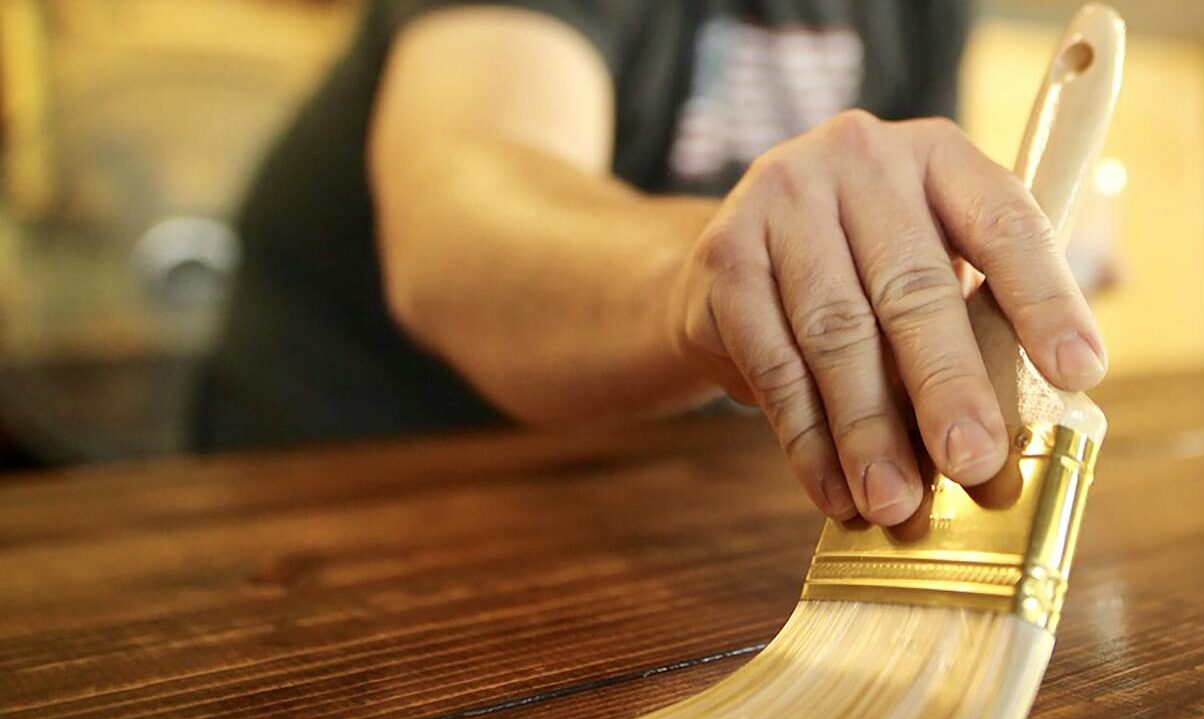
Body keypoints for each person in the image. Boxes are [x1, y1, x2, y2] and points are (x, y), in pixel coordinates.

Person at [192, 0, 1107, 528]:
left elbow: (892, 222)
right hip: (346, 500)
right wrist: (706, 276)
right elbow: (456, 222)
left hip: (639, 505)